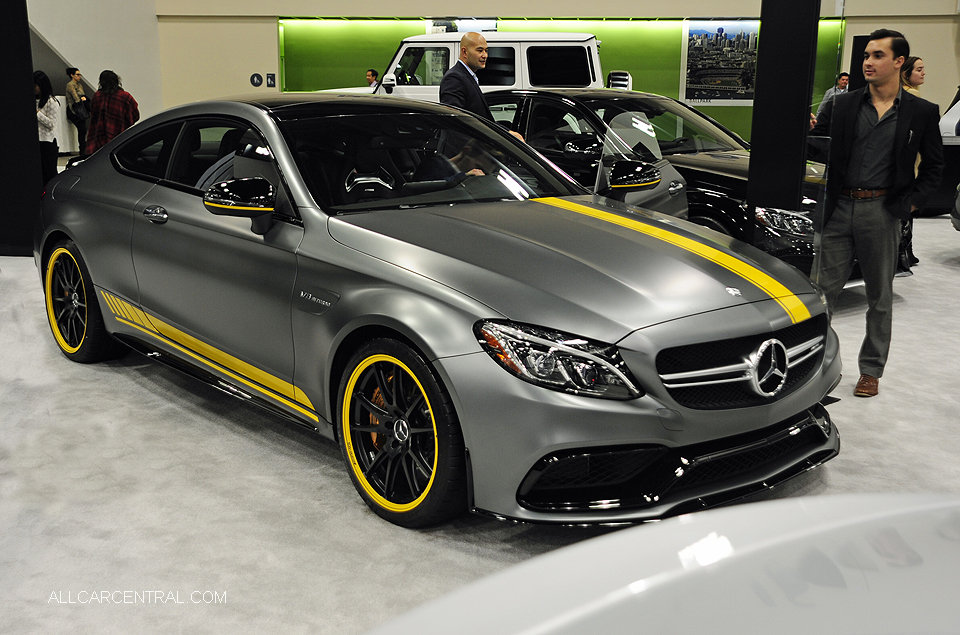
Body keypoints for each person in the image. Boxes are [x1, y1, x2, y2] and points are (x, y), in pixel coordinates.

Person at [811, 29, 943, 398]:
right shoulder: (844, 104)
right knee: (822, 294)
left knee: (879, 296)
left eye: (878, 55)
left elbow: (935, 167)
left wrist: (912, 204)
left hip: (882, 211)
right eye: (867, 55)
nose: (868, 62)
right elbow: (819, 147)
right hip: (838, 209)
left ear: (899, 62)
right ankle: (814, 367)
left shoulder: (921, 112)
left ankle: (871, 369)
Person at [899, 56, 926, 265]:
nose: (923, 73)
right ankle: (904, 252)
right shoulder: (912, 96)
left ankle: (907, 250)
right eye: (919, 69)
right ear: (906, 73)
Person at [439, 32, 494, 121]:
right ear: (464, 52)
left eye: (486, 50)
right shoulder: (454, 78)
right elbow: (454, 121)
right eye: (480, 50)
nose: (485, 55)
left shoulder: (468, 76)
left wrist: (507, 132)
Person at [86, 70, 140, 154]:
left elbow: (93, 116)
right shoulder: (124, 96)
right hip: (120, 138)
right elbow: (136, 115)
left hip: (99, 140)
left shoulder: (97, 96)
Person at [35, 70, 60, 186]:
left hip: (47, 143)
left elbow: (51, 124)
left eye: (36, 85)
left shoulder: (51, 102)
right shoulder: (33, 100)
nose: (34, 88)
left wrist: (37, 114)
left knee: (49, 175)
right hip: (36, 143)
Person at [64, 68, 89, 156]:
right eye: (77, 75)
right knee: (82, 128)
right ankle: (82, 150)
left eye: (80, 75)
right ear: (72, 75)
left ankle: (83, 149)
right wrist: (81, 99)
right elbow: (75, 97)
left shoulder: (80, 85)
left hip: (79, 109)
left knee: (83, 129)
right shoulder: (70, 85)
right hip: (73, 110)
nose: (79, 76)